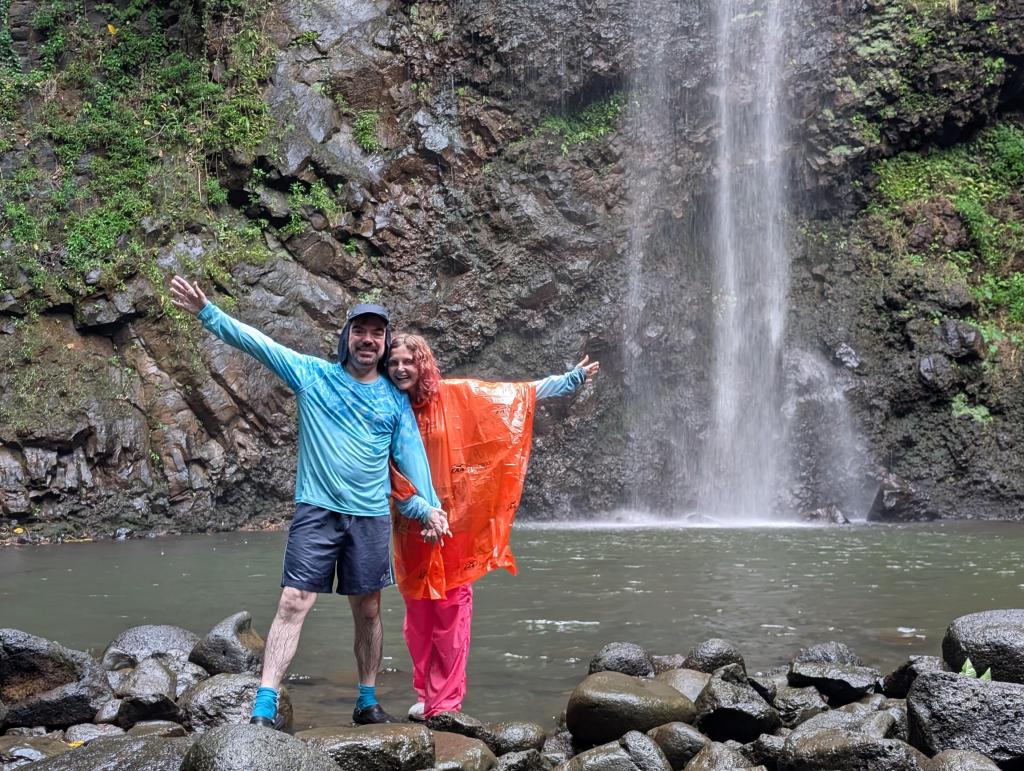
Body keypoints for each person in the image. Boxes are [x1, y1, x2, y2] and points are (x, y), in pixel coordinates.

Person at [167, 277, 450, 727]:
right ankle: (265, 702)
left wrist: (430, 506)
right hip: (317, 510)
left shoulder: (394, 401)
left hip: (371, 517)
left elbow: (411, 455)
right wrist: (207, 312)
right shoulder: (313, 375)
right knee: (294, 601)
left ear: (385, 342)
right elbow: (259, 344)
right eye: (361, 330)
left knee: (369, 609)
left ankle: (366, 699)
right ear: (347, 336)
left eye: (377, 333)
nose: (368, 340)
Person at [386, 333, 599, 719]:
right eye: (394, 363)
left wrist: (567, 381)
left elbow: (512, 397)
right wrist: (417, 508)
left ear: (423, 363)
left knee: (451, 614)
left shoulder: (454, 395)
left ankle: (446, 702)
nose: (401, 369)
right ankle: (425, 690)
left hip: (454, 524)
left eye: (408, 361)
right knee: (417, 621)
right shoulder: (384, 405)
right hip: (410, 526)